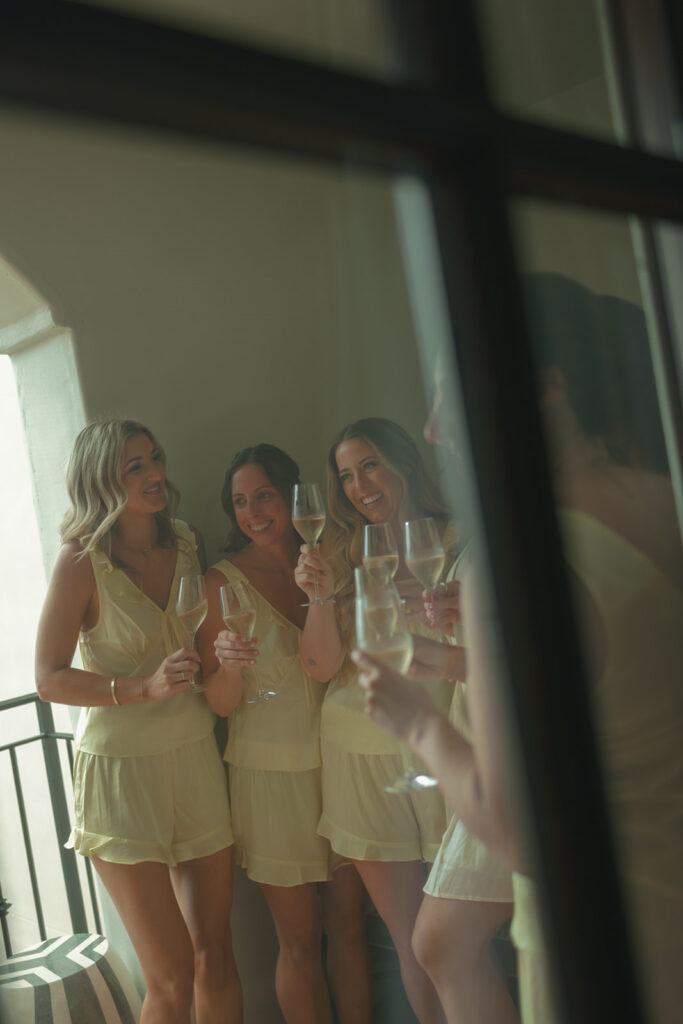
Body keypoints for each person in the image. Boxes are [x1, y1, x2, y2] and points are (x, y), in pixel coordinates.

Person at [355, 274, 683, 1024]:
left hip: (600, 949)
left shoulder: (519, 564)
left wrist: (416, 722)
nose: (433, 428)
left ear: (545, 391)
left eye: (451, 396)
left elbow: (516, 833)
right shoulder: (665, 499)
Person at [35, 419, 242, 1024]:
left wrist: (225, 658)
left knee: (218, 959)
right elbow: (48, 678)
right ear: (103, 480)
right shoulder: (80, 562)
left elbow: (206, 647)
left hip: (195, 758)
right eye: (136, 467)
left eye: (155, 459)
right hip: (120, 777)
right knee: (172, 979)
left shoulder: (188, 540)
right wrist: (142, 687)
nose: (156, 475)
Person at [198, 444, 371, 1024]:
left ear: (293, 496)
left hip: (346, 762)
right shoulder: (220, 584)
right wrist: (227, 664)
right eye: (240, 502)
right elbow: (220, 705)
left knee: (349, 929)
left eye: (263, 495)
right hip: (270, 779)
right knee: (299, 943)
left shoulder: (332, 560)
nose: (252, 512)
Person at [296, 417, 457, 1024]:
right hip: (358, 754)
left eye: (369, 466)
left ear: (404, 463)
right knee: (415, 940)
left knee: (458, 935)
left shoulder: (459, 539)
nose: (358, 485)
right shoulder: (337, 552)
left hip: (445, 748)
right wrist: (317, 597)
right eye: (344, 474)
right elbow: (321, 665)